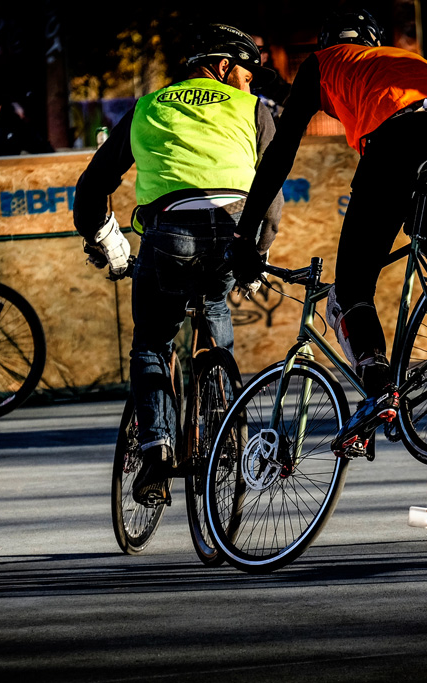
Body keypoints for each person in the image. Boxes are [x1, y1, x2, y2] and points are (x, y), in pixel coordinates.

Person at [228, 9, 427, 454]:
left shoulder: (323, 62)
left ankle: (379, 388)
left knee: (352, 285)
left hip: (400, 139)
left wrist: (244, 236)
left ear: (326, 44)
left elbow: (281, 152)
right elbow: (321, 100)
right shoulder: (398, 59)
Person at [73, 23, 283, 506]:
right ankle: (223, 425)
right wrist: (259, 251)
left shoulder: (148, 106)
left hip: (169, 232)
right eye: (247, 74)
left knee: (152, 342)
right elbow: (271, 186)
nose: (248, 84)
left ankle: (156, 454)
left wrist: (106, 238)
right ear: (224, 66)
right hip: (233, 227)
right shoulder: (253, 109)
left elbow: (91, 188)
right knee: (215, 304)